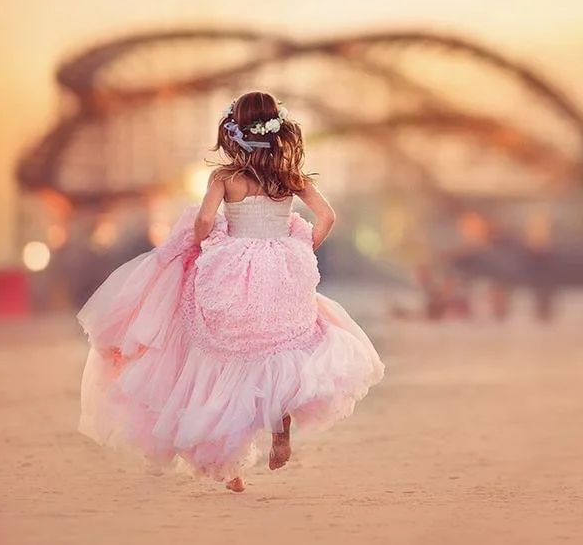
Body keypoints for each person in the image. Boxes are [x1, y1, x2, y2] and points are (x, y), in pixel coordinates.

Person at [77, 91, 384, 492]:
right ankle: (280, 423)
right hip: (281, 266)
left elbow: (205, 219)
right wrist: (303, 246)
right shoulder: (289, 178)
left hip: (233, 266)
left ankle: (231, 468)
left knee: (224, 356)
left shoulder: (225, 178)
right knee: (281, 345)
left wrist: (205, 239)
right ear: (277, 130)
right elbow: (327, 215)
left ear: (233, 131)